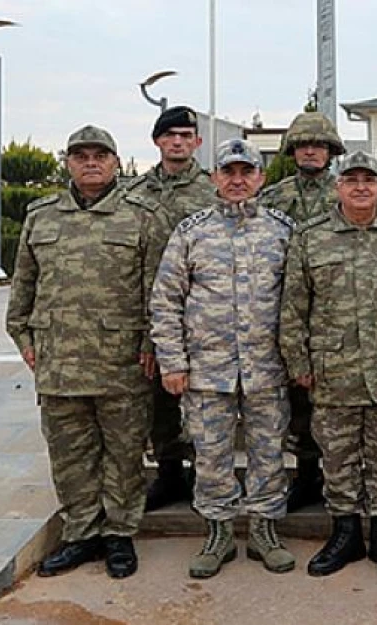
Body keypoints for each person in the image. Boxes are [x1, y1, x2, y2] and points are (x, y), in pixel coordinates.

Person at [6, 125, 167, 579]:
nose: (91, 163)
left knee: (123, 455)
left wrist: (152, 343)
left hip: (122, 363)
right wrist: (24, 338)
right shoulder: (42, 217)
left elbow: (158, 289)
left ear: (117, 163)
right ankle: (80, 535)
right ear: (68, 163)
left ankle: (119, 536)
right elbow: (23, 289)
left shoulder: (141, 216)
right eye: (81, 156)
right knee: (70, 455)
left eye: (101, 155)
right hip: (59, 361)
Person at [150, 139, 296, 579]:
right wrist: (172, 361)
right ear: (214, 178)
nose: (237, 181)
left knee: (268, 452)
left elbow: (303, 297)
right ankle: (218, 532)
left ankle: (265, 530)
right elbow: (165, 299)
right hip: (207, 369)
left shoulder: (282, 230)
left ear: (260, 177)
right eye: (228, 172)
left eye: (245, 172)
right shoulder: (191, 231)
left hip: (267, 367)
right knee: (211, 455)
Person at [281, 151, 377, 579]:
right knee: (338, 457)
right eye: (351, 180)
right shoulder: (310, 238)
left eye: (369, 180)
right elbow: (293, 306)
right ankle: (345, 535)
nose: (360, 187)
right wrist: (297, 360)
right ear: (338, 187)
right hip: (333, 369)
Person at [126, 104, 216, 511]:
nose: (178, 142)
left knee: (202, 399)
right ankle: (168, 472)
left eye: (186, 135)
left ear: (196, 142)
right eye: (170, 135)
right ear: (157, 141)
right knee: (158, 399)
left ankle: (204, 474)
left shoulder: (213, 190)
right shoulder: (134, 193)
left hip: (204, 313)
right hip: (152, 311)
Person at [258, 111, 347, 512]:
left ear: (331, 151)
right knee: (297, 404)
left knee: (335, 403)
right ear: (293, 151)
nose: (310, 151)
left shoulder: (347, 192)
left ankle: (337, 478)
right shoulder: (273, 198)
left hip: (338, 314)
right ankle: (306, 475)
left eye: (318, 145)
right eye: (303, 145)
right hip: (287, 313)